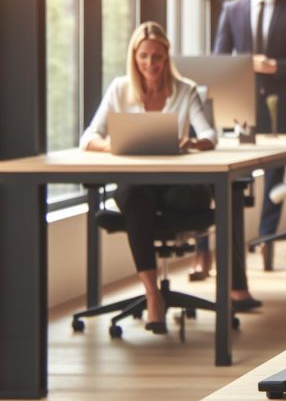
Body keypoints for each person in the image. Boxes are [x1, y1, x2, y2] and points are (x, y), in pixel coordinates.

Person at [81, 22, 260, 333]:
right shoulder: (119, 89)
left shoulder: (185, 90)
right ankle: (153, 295)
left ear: (167, 57)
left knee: (166, 199)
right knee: (136, 198)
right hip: (138, 185)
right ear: (134, 57)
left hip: (179, 187)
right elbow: (88, 138)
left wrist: (192, 142)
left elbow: (210, 135)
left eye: (157, 56)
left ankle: (223, 286)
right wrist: (113, 144)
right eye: (144, 56)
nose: (150, 63)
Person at [208, 0, 286, 272]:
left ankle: (266, 238)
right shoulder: (232, 9)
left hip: (280, 102)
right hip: (241, 103)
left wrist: (274, 66)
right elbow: (219, 58)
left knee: (275, 172)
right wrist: (243, 65)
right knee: (236, 173)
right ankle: (229, 247)